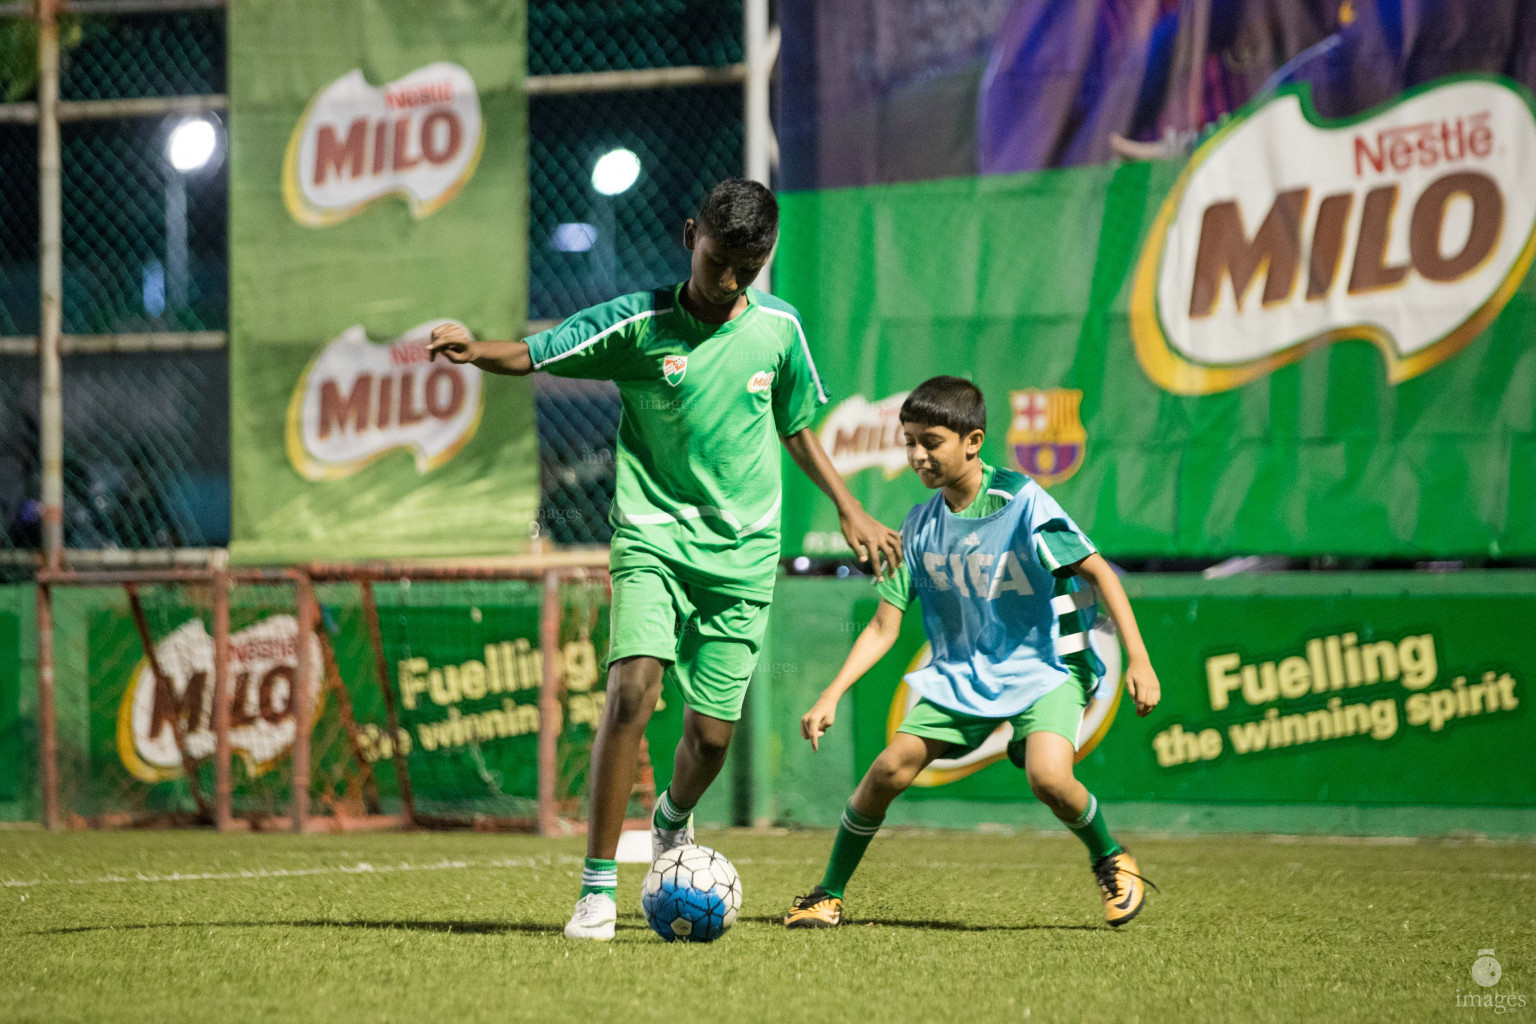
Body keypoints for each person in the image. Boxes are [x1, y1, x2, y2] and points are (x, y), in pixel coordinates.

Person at [427, 178, 902, 941]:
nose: (732, 281)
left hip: (744, 558)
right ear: (691, 236)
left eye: (751, 266)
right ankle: (594, 891)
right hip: (651, 540)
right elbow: (538, 351)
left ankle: (672, 818)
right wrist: (471, 347)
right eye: (720, 262)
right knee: (633, 691)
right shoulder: (638, 325)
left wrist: (850, 507)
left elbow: (797, 424)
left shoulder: (779, 329)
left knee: (711, 738)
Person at [782, 375, 1161, 930]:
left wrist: (1141, 660)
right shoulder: (918, 527)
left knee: (1048, 780)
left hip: (1046, 669)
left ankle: (1111, 858)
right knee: (887, 769)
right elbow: (884, 628)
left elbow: (1098, 570)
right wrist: (831, 694)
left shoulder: (1022, 500)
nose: (917, 455)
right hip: (963, 678)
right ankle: (827, 894)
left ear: (973, 441)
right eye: (909, 440)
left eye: (930, 441)